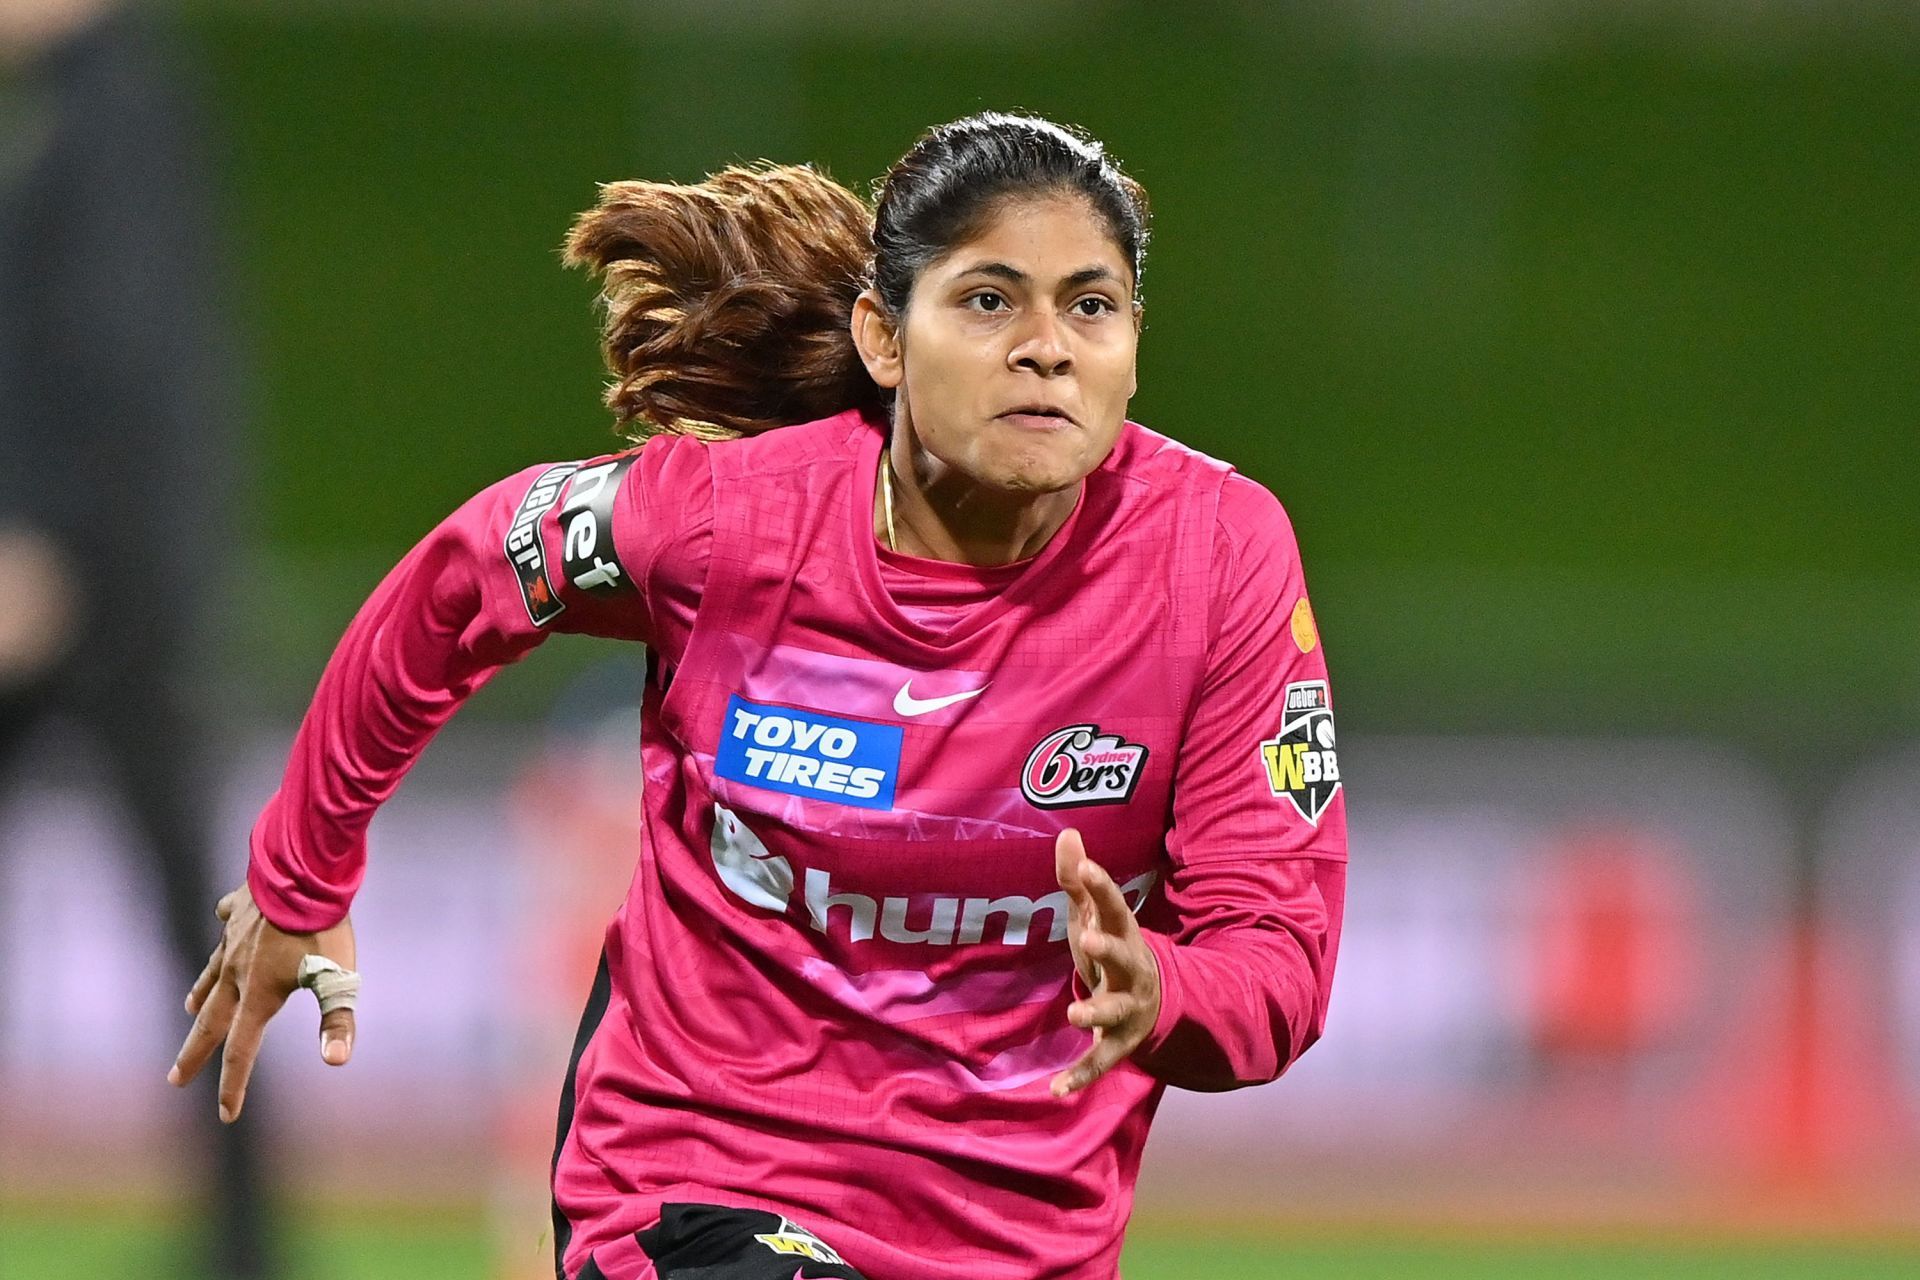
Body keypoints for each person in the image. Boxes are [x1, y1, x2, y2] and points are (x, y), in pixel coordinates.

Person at [166, 112, 1348, 1280]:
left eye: (1090, 305)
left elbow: (1279, 957)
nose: (1047, 345)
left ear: (1134, 345)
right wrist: (299, 874)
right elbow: (465, 575)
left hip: (1015, 1244)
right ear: (884, 339)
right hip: (696, 1184)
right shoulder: (725, 523)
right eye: (989, 300)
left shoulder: (1218, 558)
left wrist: (1167, 989)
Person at [2, 3, 280, 1275]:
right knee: (198, 925)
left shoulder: (107, 107)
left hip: (89, 587)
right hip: (117, 577)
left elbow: (115, 350)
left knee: (198, 926)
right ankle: (243, 1239)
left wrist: (44, 542)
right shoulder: (102, 100)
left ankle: (241, 1239)